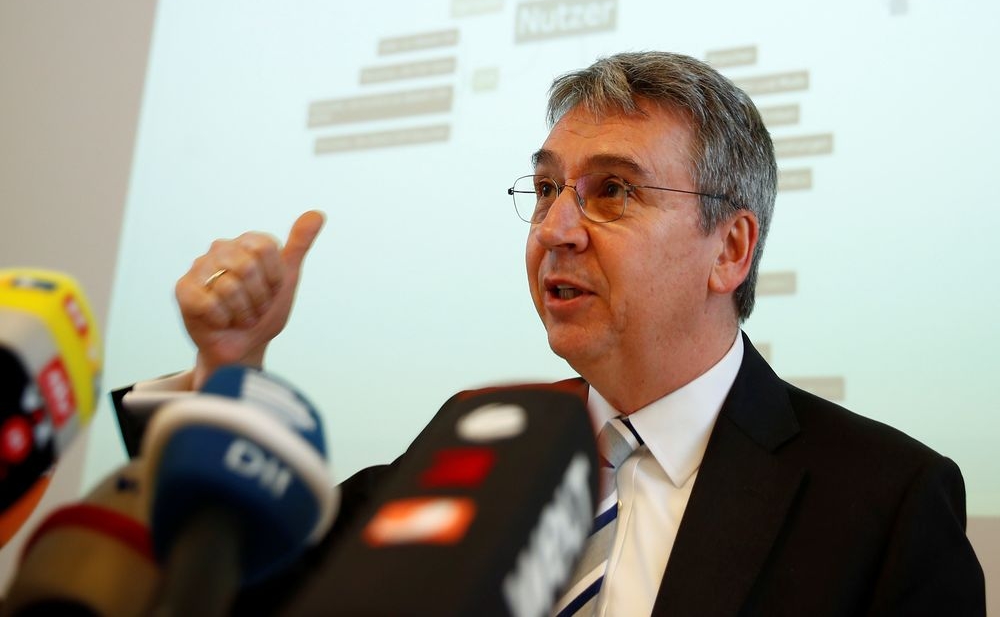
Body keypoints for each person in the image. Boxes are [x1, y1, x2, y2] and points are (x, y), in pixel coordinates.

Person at [114, 51, 985, 615]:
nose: (555, 230)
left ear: (730, 248)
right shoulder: (474, 448)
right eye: (546, 190)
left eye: (612, 191)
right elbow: (236, 591)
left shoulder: (887, 499)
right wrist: (227, 371)